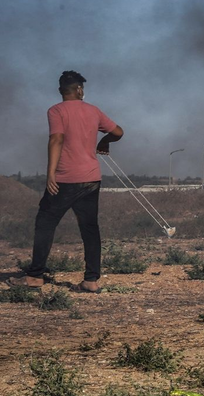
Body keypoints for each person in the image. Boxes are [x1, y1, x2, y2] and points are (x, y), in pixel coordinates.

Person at [9, 71, 123, 293]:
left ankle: (34, 277)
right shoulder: (93, 110)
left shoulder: (56, 110)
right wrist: (106, 142)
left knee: (45, 224)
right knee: (90, 228)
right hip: (91, 179)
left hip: (65, 179)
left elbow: (57, 138)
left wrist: (50, 173)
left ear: (61, 91)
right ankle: (91, 281)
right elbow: (118, 132)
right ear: (79, 90)